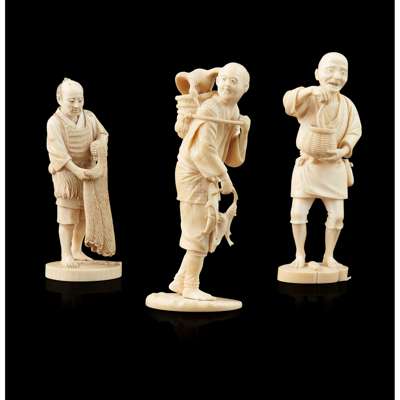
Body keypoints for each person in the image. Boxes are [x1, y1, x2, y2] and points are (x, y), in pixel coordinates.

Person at [169, 62, 251, 300]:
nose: (226, 84)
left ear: (245, 88)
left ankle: (179, 281)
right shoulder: (210, 109)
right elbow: (202, 151)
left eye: (233, 81)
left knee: (204, 227)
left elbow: (233, 158)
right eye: (223, 79)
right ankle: (191, 287)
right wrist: (224, 178)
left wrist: (243, 131)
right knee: (200, 230)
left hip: (207, 172)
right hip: (193, 173)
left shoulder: (232, 111)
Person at [283, 52, 362, 269]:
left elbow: (355, 131)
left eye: (343, 72)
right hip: (308, 165)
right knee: (297, 213)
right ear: (317, 74)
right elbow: (288, 103)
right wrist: (310, 91)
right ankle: (299, 254)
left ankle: (329, 256)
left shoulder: (347, 105)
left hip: (334, 165)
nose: (336, 76)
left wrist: (342, 150)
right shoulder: (310, 97)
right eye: (330, 70)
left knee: (337, 216)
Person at [47, 78, 108, 267]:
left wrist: (99, 143)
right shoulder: (54, 123)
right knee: (67, 216)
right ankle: (65, 253)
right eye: (71, 100)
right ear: (59, 99)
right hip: (67, 174)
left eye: (80, 100)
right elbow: (58, 153)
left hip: (88, 172)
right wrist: (76, 170)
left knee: (84, 214)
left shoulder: (89, 117)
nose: (77, 105)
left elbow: (103, 134)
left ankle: (76, 249)